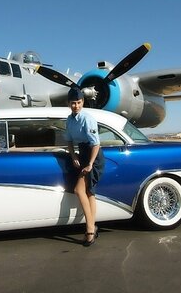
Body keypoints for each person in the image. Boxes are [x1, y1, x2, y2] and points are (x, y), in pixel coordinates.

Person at [65, 87, 105, 247]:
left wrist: (89, 164)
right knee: (89, 193)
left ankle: (90, 230)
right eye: (73, 103)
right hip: (82, 154)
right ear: (68, 104)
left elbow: (96, 144)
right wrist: (73, 156)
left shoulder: (87, 119)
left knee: (78, 190)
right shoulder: (69, 120)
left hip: (93, 156)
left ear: (83, 102)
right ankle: (93, 226)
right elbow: (68, 140)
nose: (76, 106)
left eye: (79, 102)